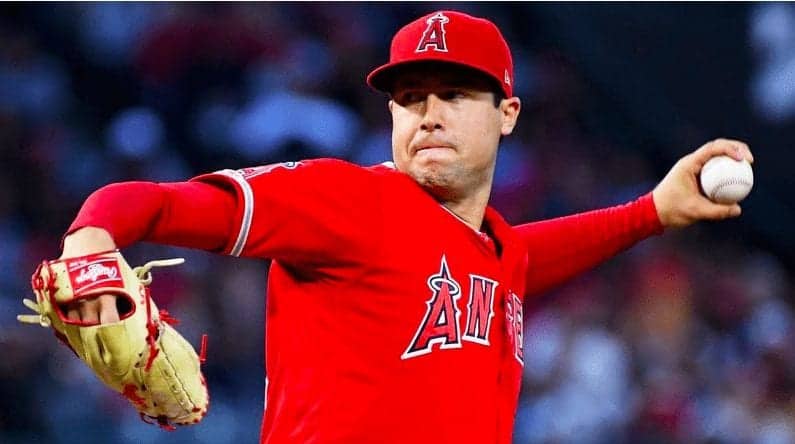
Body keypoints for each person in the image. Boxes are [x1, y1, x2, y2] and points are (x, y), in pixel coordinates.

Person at [53, 10, 752, 444]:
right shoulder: (345, 200)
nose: (428, 115)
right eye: (409, 98)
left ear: (507, 113)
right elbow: (155, 201)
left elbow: (520, 258)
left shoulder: (491, 247)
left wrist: (649, 213)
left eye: (453, 93)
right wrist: (92, 235)